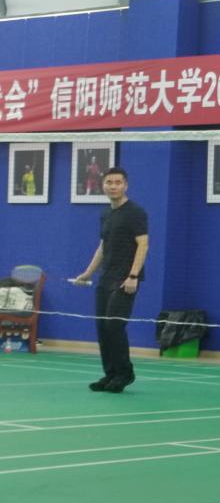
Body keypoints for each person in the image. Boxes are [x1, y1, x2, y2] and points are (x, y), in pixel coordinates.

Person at [73, 167, 150, 393]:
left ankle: (125, 373)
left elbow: (143, 244)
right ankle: (111, 373)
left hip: (125, 280)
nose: (113, 186)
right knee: (102, 328)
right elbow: (103, 246)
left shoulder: (135, 212)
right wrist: (88, 272)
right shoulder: (105, 213)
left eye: (118, 182)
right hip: (105, 278)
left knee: (114, 326)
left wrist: (133, 275)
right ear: (103, 185)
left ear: (125, 185)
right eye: (109, 182)